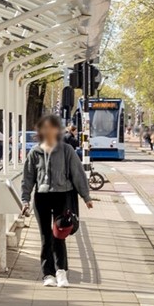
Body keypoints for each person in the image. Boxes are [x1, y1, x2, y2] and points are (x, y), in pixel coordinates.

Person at [19, 114, 92, 288]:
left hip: (62, 196)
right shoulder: (35, 152)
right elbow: (28, 178)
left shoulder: (67, 150)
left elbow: (77, 174)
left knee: (59, 235)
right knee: (46, 237)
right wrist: (25, 200)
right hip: (41, 197)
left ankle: (61, 272)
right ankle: (48, 274)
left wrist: (86, 196)